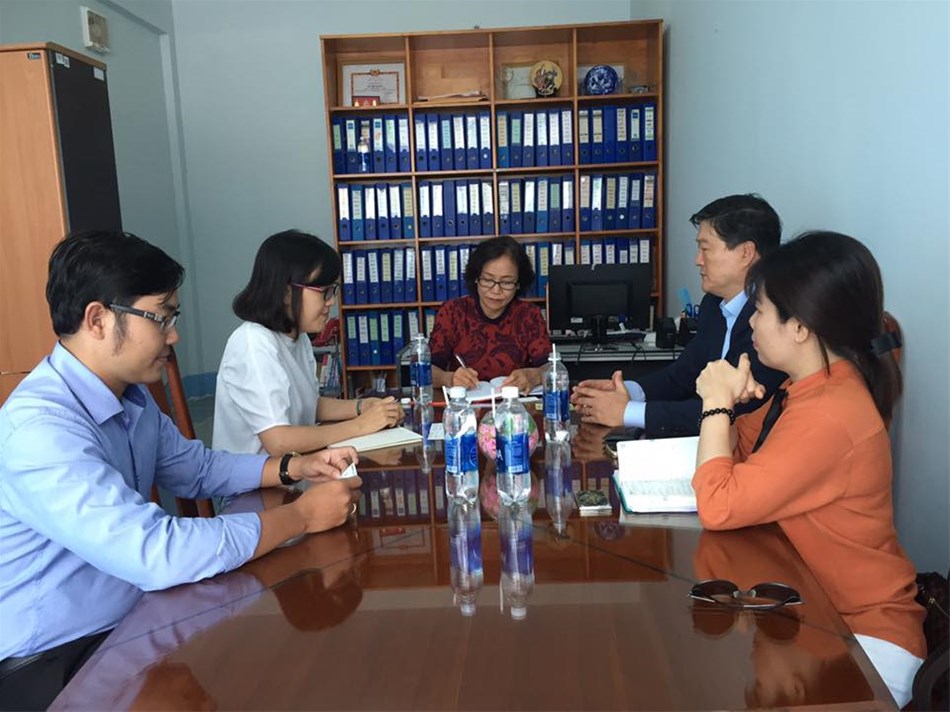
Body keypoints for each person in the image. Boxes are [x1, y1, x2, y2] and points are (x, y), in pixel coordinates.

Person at [0, 230, 363, 710]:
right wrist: (301, 517)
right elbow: (157, 551)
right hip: (56, 659)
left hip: (133, 620)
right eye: (161, 317)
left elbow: (197, 468)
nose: (173, 335)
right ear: (98, 319)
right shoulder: (41, 429)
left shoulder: (129, 398)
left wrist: (294, 466)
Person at [692, 231, 925, 707]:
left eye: (759, 311)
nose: (751, 323)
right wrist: (730, 407)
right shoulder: (809, 387)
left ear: (799, 327)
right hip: (820, 610)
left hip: (865, 638)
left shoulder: (830, 413)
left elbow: (717, 502)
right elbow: (739, 455)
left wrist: (715, 403)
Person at [571, 194, 786, 437]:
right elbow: (683, 375)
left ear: (746, 253)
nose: (697, 260)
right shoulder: (713, 304)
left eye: (705, 248)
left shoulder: (775, 319)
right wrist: (626, 392)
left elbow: (734, 410)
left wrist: (627, 412)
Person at [213, 230, 403, 456]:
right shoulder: (253, 343)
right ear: (286, 292)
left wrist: (361, 407)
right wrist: (361, 425)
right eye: (324, 292)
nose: (331, 301)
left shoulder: (297, 336)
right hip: (255, 476)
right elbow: (279, 441)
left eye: (333, 291)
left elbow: (309, 405)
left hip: (293, 467)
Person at [429, 235, 552, 393]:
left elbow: (552, 367)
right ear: (476, 278)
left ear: (518, 284)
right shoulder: (452, 312)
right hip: (464, 404)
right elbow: (428, 370)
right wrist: (449, 378)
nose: (496, 290)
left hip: (515, 404)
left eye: (506, 282)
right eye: (487, 280)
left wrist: (535, 376)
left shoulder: (529, 315)